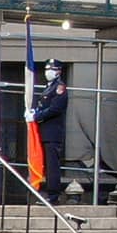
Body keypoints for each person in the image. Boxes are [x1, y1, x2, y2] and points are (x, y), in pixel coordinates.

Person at [30, 61, 68, 203]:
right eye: (46, 69)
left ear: (58, 71)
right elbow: (44, 105)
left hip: (52, 133)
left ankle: (53, 196)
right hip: (44, 131)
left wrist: (37, 116)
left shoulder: (59, 87)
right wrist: (35, 112)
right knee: (46, 164)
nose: (47, 72)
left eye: (50, 69)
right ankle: (47, 192)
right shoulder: (49, 87)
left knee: (52, 165)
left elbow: (55, 109)